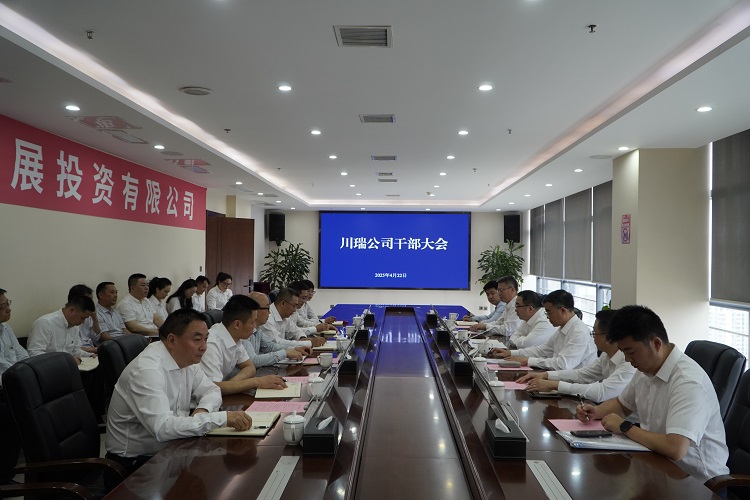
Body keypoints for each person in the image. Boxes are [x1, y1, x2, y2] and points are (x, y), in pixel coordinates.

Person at [577, 305, 729, 484]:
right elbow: (622, 405)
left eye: (631, 352)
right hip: (658, 468)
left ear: (656, 343)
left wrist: (624, 427)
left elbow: (675, 448)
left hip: (698, 484)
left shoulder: (688, 381)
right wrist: (596, 411)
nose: (627, 360)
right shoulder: (645, 369)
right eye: (623, 352)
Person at [105, 309, 252, 474]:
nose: (204, 347)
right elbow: (163, 428)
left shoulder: (186, 359)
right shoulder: (147, 371)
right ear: (172, 340)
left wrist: (202, 411)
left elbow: (212, 389)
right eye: (197, 340)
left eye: (206, 339)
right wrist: (220, 418)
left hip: (173, 449)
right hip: (135, 465)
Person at [518, 309, 636, 402]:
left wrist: (555, 385)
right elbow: (582, 375)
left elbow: (602, 393)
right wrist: (546, 375)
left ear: (608, 337)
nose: (592, 337)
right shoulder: (606, 355)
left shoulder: (629, 363)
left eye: (594, 333)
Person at [199, 295, 288, 394]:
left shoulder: (234, 337)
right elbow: (214, 388)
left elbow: (250, 367)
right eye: (252, 322)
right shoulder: (211, 345)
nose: (254, 326)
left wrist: (232, 384)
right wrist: (256, 382)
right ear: (237, 324)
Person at [490, 289, 596, 370]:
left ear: (563, 311)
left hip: (575, 387)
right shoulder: (562, 329)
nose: (547, 316)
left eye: (548, 312)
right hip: (560, 379)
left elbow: (562, 364)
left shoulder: (579, 332)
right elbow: (542, 350)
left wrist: (528, 361)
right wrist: (511, 353)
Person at [0, 288, 28, 485]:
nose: (9, 309)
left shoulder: (6, 329)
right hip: (3, 390)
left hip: (11, 386)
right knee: (12, 414)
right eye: (3, 307)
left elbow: (22, 355)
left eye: (7, 303)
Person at [242, 292, 311, 367]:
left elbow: (270, 346)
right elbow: (253, 361)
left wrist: (295, 349)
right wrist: (285, 353)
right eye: (267, 308)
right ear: (255, 310)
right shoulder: (243, 331)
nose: (269, 312)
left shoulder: (257, 330)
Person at [27, 294, 96, 362]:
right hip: (48, 367)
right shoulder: (45, 323)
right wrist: (65, 360)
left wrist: (90, 355)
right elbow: (34, 353)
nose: (83, 322)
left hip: (67, 366)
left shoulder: (74, 326)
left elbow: (76, 351)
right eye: (82, 318)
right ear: (72, 310)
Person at [258, 288, 326, 348]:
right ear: (283, 303)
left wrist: (302, 338)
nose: (295, 310)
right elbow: (277, 342)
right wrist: (309, 343)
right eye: (294, 306)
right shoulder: (267, 317)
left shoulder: (285, 316)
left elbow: (296, 331)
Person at [68, 284, 102, 354]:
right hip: (83, 353)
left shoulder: (88, 315)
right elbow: (72, 350)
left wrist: (95, 319)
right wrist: (95, 350)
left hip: (90, 352)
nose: (90, 303)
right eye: (88, 300)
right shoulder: (69, 319)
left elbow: (96, 338)